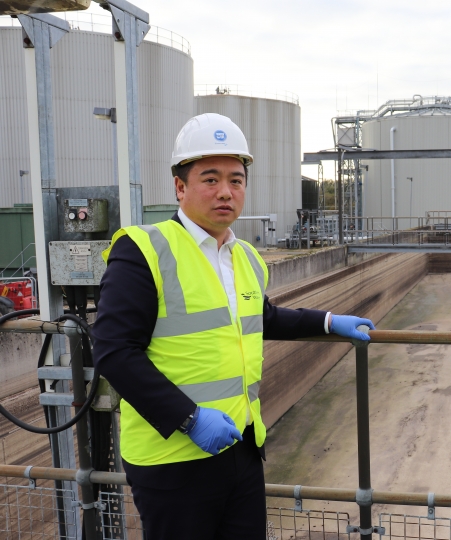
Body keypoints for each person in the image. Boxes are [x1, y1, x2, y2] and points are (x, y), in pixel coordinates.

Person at [93, 113, 375, 539]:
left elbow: (262, 318)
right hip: (172, 459)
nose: (226, 191)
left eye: (236, 180)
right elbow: (114, 352)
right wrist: (188, 418)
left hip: (241, 449)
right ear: (180, 186)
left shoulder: (243, 256)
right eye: (210, 179)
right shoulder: (143, 250)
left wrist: (331, 321)